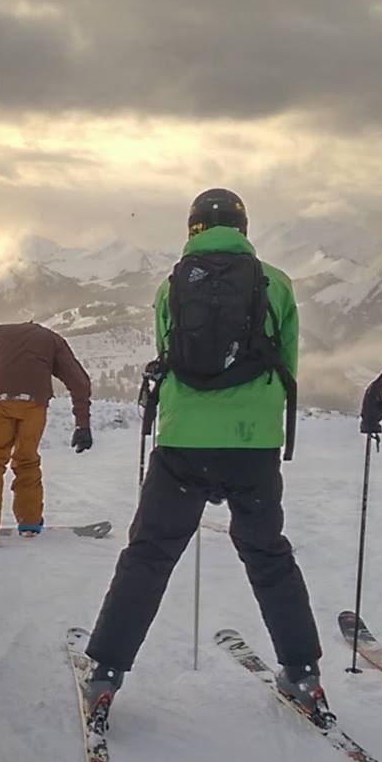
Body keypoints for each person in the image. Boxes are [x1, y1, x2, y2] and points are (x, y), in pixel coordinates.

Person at [82, 188, 323, 719]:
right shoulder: (275, 282)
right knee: (267, 552)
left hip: (184, 441)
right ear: (243, 227)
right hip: (253, 444)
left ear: (192, 227)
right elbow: (288, 359)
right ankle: (303, 672)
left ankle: (105, 672)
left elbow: (168, 352)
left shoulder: (172, 284)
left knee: (150, 553)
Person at [0, 321, 94, 546]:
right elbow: (79, 381)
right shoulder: (51, 339)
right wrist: (83, 425)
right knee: (26, 459)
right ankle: (30, 523)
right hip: (35, 405)